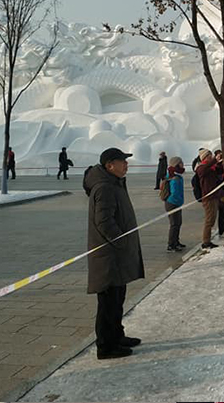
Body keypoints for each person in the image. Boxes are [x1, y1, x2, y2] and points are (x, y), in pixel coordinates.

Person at [83, 147, 144, 360]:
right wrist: (122, 240)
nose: (126, 164)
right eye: (122, 161)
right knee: (108, 303)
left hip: (117, 255)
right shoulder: (104, 188)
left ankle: (117, 336)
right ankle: (106, 346)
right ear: (110, 165)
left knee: (117, 299)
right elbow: (104, 222)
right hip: (109, 257)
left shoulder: (114, 183)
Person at [195, 149, 222, 249]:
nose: (211, 158)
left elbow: (220, 171)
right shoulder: (201, 167)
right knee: (209, 220)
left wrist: (222, 161)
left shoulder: (211, 168)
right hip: (208, 197)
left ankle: (208, 240)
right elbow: (203, 170)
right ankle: (206, 242)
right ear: (205, 157)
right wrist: (215, 160)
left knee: (212, 219)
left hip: (214, 196)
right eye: (209, 156)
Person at [164, 156, 186, 252]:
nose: (183, 164)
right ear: (177, 164)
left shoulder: (174, 174)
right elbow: (175, 192)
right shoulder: (174, 177)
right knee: (174, 224)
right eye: (181, 163)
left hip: (175, 203)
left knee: (178, 223)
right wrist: (178, 201)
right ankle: (171, 245)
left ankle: (176, 242)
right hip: (172, 203)